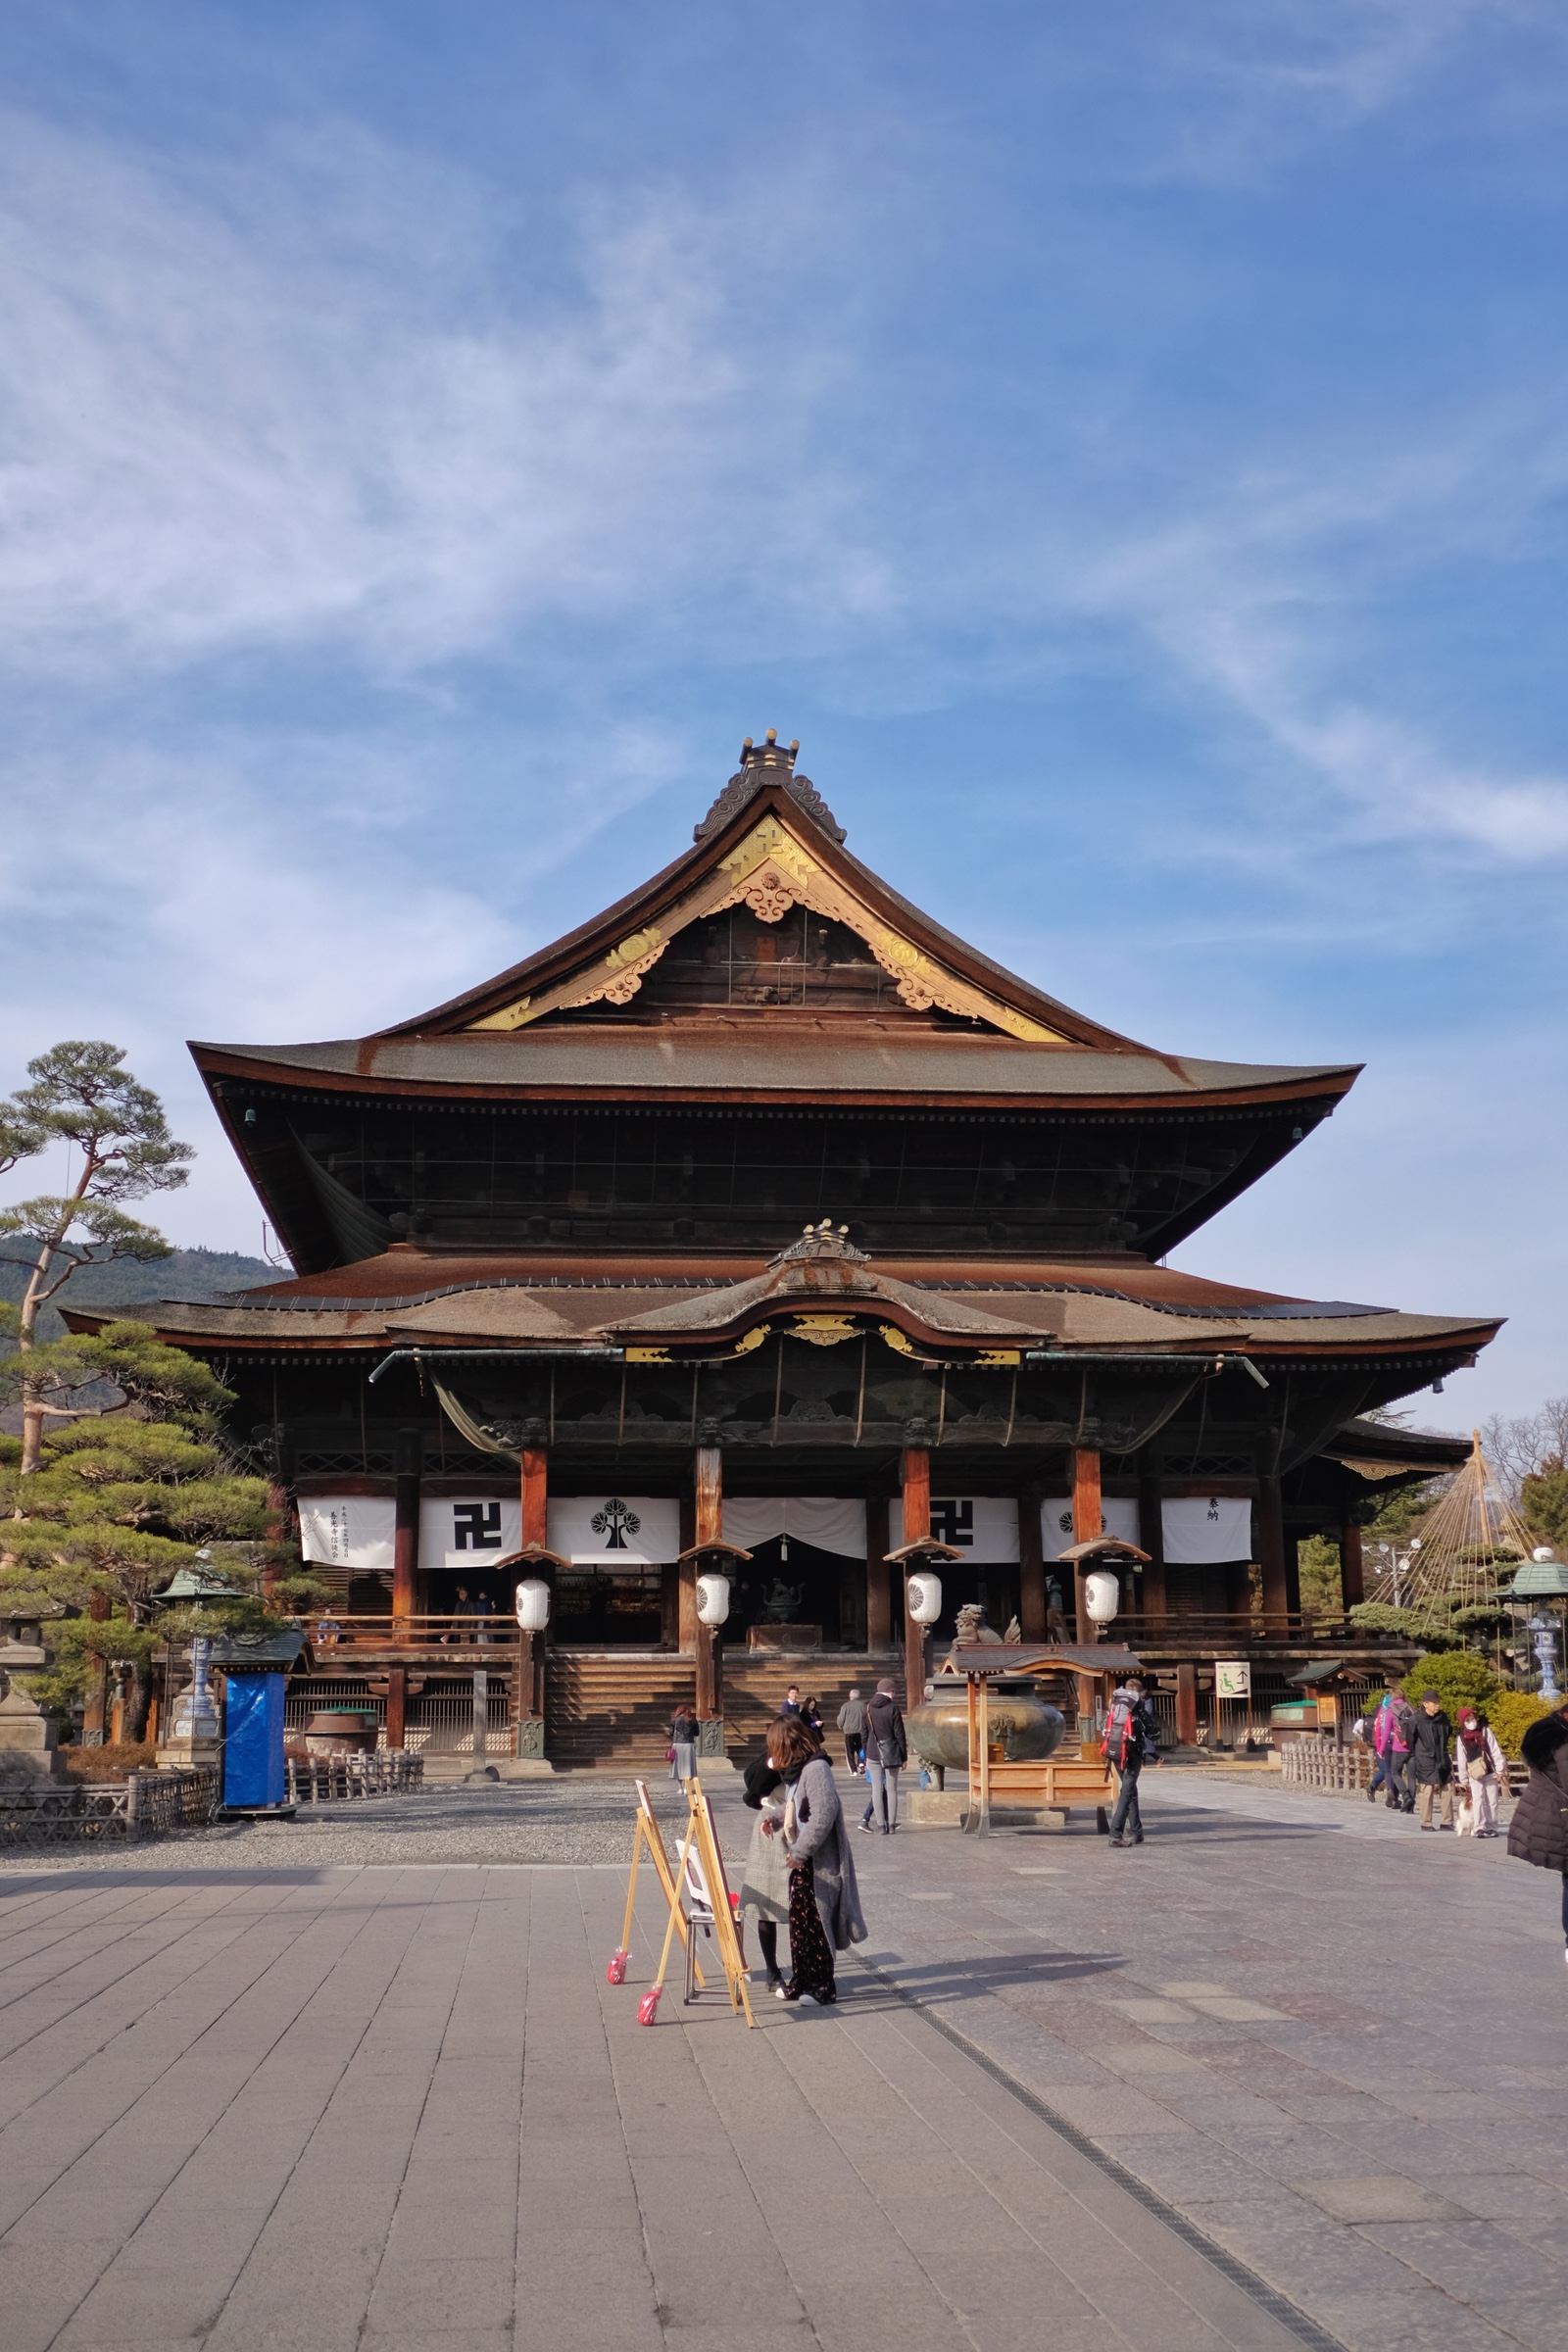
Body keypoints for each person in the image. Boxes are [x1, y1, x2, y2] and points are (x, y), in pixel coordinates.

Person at [770, 1712, 866, 2004]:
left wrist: (800, 1851)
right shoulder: (798, 1772)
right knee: (800, 1922)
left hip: (817, 1862)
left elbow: (823, 1814)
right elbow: (796, 1808)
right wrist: (775, 1819)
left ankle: (823, 1985)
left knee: (817, 1921)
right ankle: (801, 1980)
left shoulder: (816, 1769)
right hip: (804, 1861)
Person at [736, 1747, 790, 1990]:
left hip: (798, 1828)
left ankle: (806, 1967)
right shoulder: (770, 1760)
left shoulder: (810, 1761)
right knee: (766, 1902)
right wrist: (772, 1763)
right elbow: (752, 1785)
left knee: (802, 1906)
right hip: (770, 1829)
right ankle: (772, 1970)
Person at [1103, 1673, 1160, 1847]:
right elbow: (1152, 1732)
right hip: (1132, 1752)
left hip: (1114, 1751)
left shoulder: (1115, 1705)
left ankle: (1136, 1832)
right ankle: (1115, 1834)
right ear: (1138, 1693)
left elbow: (1103, 1726)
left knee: (1130, 1789)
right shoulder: (1138, 1707)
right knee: (1127, 1792)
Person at [1453, 1707, 1506, 1838]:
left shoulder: (1485, 1731)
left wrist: (1499, 1769)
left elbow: (1494, 1750)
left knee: (1492, 1801)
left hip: (1490, 1771)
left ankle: (1491, 1827)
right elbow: (1462, 1758)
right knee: (1478, 1800)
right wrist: (1463, 1779)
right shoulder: (1461, 1738)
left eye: (1473, 1718)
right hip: (1474, 1773)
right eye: (1468, 1719)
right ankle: (1479, 1827)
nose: (1472, 1721)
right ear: (1463, 1722)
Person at [862, 1677, 906, 1834]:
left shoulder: (867, 1708)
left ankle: (881, 1825)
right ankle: (892, 1825)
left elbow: (864, 1734)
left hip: (872, 1753)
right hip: (891, 1753)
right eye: (894, 1692)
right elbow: (899, 1734)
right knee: (892, 1789)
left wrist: (865, 1753)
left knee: (877, 1790)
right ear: (890, 1692)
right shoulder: (893, 1708)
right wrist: (904, 1757)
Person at [1407, 1689, 1454, 1830]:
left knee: (1447, 1789)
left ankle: (1447, 1821)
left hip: (1442, 1757)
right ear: (1425, 1704)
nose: (1437, 1705)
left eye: (1438, 1702)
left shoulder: (1443, 1717)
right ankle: (1426, 1822)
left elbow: (1448, 1733)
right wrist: (1417, 1756)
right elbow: (1410, 1740)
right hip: (1425, 1759)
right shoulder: (1415, 1720)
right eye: (1434, 1703)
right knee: (1426, 1791)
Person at [837, 1688, 867, 1775]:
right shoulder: (863, 1705)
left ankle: (853, 1770)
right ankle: (861, 1763)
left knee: (850, 1751)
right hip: (861, 1731)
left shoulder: (846, 1706)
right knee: (861, 1749)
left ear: (850, 1696)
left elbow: (841, 1718)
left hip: (849, 1732)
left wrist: (840, 1724)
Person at [668, 1702, 697, 1784]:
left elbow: (671, 1732)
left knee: (678, 1766)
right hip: (689, 1744)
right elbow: (696, 1733)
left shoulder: (674, 1720)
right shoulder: (693, 1721)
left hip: (677, 1744)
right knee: (687, 1766)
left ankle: (680, 1787)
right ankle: (686, 1786)